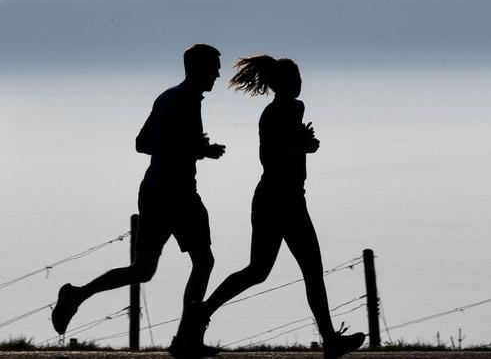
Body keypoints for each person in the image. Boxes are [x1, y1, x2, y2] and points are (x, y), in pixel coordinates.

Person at [51, 44, 226, 358]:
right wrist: (200, 150)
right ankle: (186, 338)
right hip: (178, 193)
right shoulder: (184, 101)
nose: (218, 72)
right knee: (203, 262)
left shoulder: (167, 97)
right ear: (198, 68)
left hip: (154, 190)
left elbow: (142, 144)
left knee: (143, 270)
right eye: (214, 66)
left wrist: (190, 146)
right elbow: (159, 146)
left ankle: (77, 294)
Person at [199, 55, 364, 358]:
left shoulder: (293, 109)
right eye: (296, 78)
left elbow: (289, 146)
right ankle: (203, 312)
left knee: (279, 270)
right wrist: (300, 146)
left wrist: (302, 143)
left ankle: (329, 340)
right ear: (284, 84)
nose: (301, 83)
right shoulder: (274, 113)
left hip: (284, 198)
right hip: (278, 199)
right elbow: (270, 160)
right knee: (271, 271)